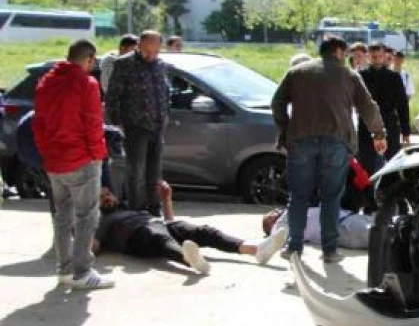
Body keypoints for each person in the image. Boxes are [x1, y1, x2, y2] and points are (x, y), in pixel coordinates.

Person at [271, 35, 386, 263]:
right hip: (336, 141)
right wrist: (379, 133)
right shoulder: (349, 75)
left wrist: (285, 129)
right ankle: (330, 250)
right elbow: (368, 107)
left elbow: (277, 102)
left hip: (300, 140)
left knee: (299, 196)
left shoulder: (298, 72)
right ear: (339, 52)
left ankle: (293, 246)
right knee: (331, 197)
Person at [32, 39, 113, 290]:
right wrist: (98, 156)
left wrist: (47, 153)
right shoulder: (86, 84)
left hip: (55, 160)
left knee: (62, 216)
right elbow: (92, 124)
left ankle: (64, 270)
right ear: (89, 59)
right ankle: (82, 272)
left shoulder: (45, 82)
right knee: (86, 217)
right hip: (82, 159)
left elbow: (39, 124)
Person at [93, 181, 286, 274]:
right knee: (158, 237)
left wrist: (167, 199)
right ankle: (190, 260)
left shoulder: (130, 208)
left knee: (204, 231)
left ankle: (256, 250)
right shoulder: (101, 221)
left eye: (108, 193)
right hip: (139, 237)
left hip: (160, 225)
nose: (108, 197)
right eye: (102, 197)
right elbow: (93, 248)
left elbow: (168, 220)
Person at [106, 30, 169, 216]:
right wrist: (119, 124)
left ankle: (154, 208)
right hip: (135, 126)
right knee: (136, 172)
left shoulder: (160, 65)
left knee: (154, 172)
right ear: (139, 45)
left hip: (157, 126)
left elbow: (165, 92)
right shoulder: (124, 64)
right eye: (147, 52)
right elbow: (112, 96)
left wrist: (166, 114)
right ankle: (136, 210)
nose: (151, 56)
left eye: (155, 52)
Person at [359, 42, 411, 169]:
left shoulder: (394, 77)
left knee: (392, 164)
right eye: (373, 56)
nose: (376, 59)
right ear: (369, 57)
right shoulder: (361, 76)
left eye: (379, 56)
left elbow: (402, 105)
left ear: (384, 56)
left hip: (389, 124)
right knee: (368, 165)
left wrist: (406, 132)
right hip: (367, 126)